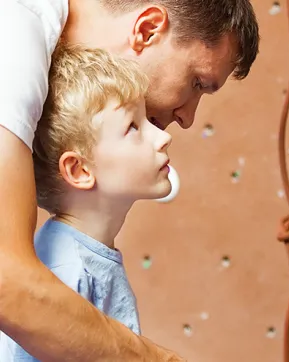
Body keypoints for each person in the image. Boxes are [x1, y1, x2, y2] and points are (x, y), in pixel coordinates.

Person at [0, 0, 259, 361]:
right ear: (147, 29)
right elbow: (6, 281)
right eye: (196, 82)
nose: (187, 119)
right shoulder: (13, 40)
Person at [0, 40, 174, 361]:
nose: (163, 136)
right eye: (133, 126)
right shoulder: (67, 269)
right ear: (79, 169)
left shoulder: (84, 254)